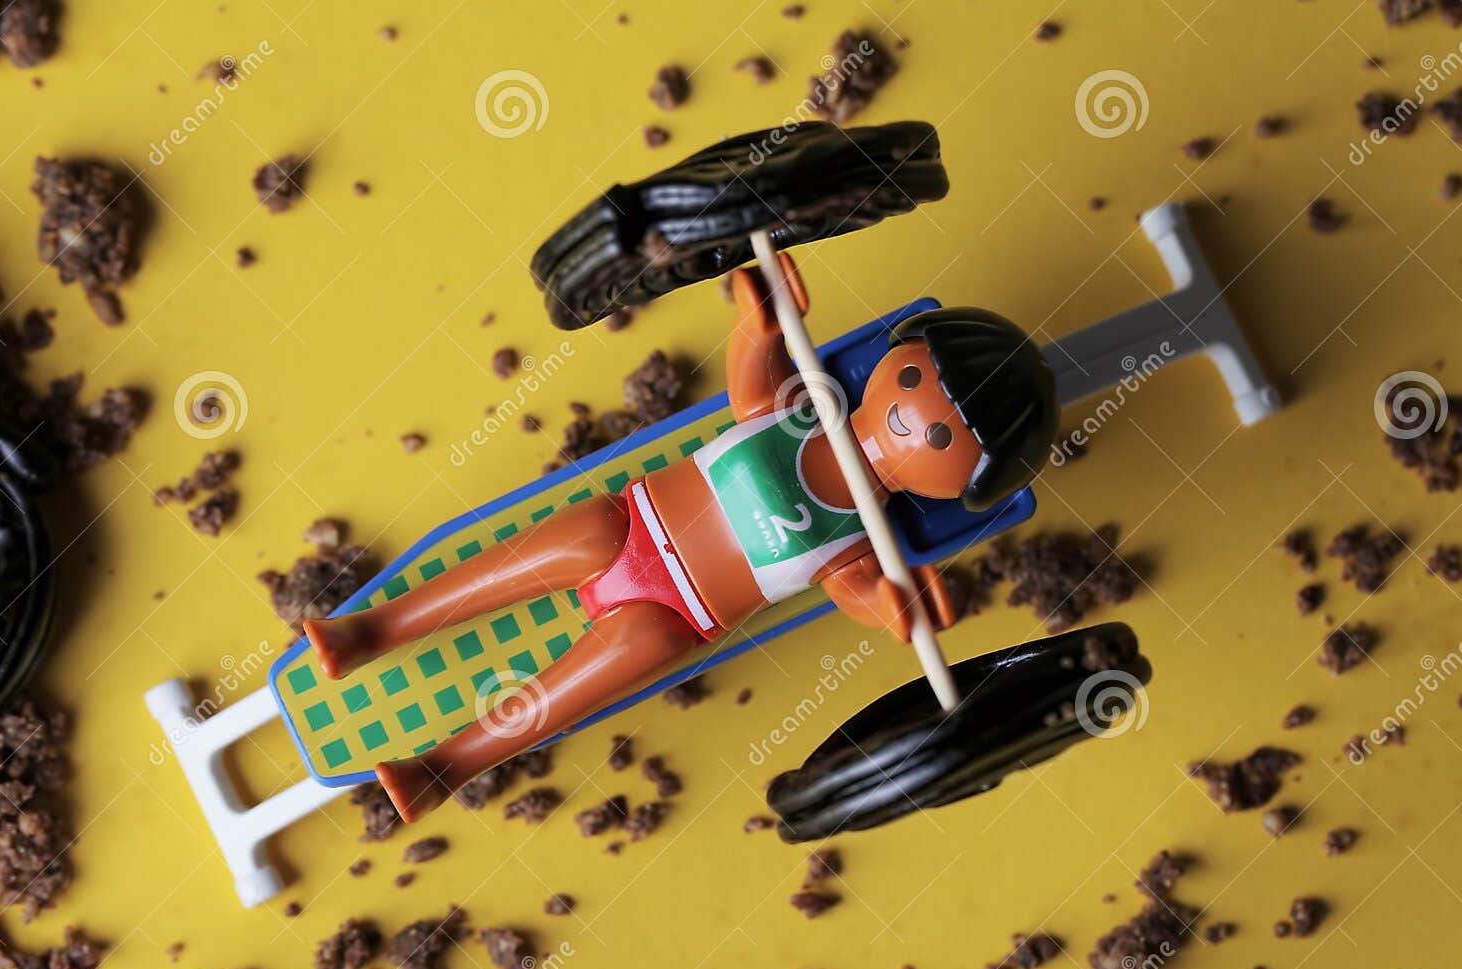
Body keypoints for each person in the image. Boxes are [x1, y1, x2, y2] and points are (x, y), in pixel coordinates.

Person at [304, 254, 1058, 823]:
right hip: (631, 525)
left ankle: (446, 765)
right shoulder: (806, 407)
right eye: (918, 383)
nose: (913, 420)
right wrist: (757, 324)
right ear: (900, 357)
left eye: (938, 432)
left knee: (638, 652)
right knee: (556, 543)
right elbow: (750, 382)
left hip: (677, 611)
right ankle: (370, 628)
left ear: (964, 484)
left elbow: (856, 590)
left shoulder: (863, 534)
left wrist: (898, 609)